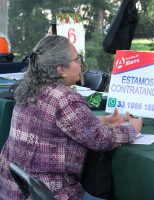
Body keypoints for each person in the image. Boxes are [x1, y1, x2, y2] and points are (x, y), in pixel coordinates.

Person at [0, 35, 142, 199]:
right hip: (51, 193)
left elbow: (53, 126)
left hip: (13, 192)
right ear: (61, 69)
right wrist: (133, 128)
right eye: (77, 59)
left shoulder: (29, 90)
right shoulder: (63, 98)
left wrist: (101, 121)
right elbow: (101, 140)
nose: (81, 63)